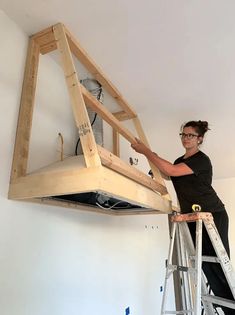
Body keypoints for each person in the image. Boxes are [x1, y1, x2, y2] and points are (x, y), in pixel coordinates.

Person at [131, 120, 234, 314]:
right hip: (194, 218)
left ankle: (232, 307)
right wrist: (156, 165)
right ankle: (223, 306)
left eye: (190, 135)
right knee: (206, 266)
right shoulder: (180, 161)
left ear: (199, 139)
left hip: (213, 215)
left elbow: (171, 171)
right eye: (184, 135)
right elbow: (170, 173)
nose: (186, 139)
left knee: (219, 265)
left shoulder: (201, 160)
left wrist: (146, 151)